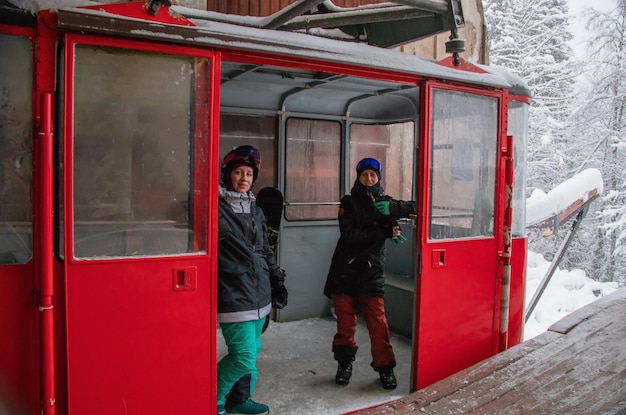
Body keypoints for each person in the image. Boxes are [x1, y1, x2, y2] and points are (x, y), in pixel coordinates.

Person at [323, 157, 416, 390]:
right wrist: (383, 231)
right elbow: (350, 235)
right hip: (345, 271)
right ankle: (344, 364)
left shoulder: (384, 201)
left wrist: (394, 215)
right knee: (345, 323)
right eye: (364, 175)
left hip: (372, 271)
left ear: (379, 177)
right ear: (358, 176)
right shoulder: (349, 201)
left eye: (373, 175)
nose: (369, 179)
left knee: (378, 323)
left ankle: (386, 368)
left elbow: (416, 206)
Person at [216, 145, 288, 415]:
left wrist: (277, 278)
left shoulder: (255, 211)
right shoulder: (216, 208)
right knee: (243, 356)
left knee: (252, 351)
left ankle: (239, 400)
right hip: (233, 293)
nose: (244, 178)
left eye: (249, 173)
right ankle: (212, 399)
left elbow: (265, 250)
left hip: (259, 293)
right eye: (238, 172)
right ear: (227, 175)